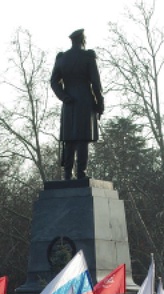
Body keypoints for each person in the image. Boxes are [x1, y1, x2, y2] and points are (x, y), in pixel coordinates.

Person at [50, 28, 104, 180]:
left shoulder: (62, 58)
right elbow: (96, 84)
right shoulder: (88, 57)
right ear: (83, 40)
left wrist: (64, 97)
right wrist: (100, 103)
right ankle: (81, 173)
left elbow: (54, 82)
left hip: (69, 103)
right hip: (85, 101)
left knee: (69, 139)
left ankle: (67, 174)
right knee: (82, 139)